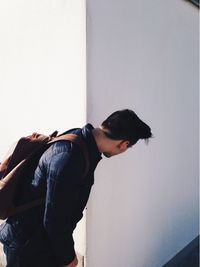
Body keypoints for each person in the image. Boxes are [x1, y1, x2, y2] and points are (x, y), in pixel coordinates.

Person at [0, 109, 152, 267]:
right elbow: (55, 221)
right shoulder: (71, 157)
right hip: (28, 246)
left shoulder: (80, 140)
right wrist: (69, 259)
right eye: (128, 148)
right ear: (124, 144)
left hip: (36, 240)